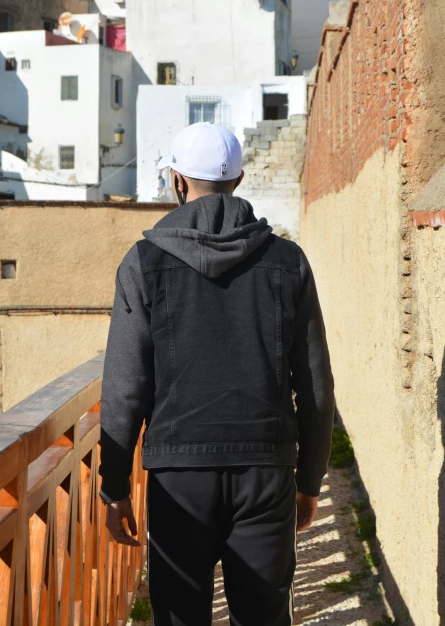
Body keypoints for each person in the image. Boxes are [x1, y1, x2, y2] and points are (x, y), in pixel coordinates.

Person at [99, 122, 334, 626]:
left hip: (178, 478)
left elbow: (124, 386)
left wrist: (114, 486)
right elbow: (314, 384)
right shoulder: (288, 262)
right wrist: (310, 479)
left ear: (177, 182)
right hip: (265, 472)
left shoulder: (143, 263)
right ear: (240, 180)